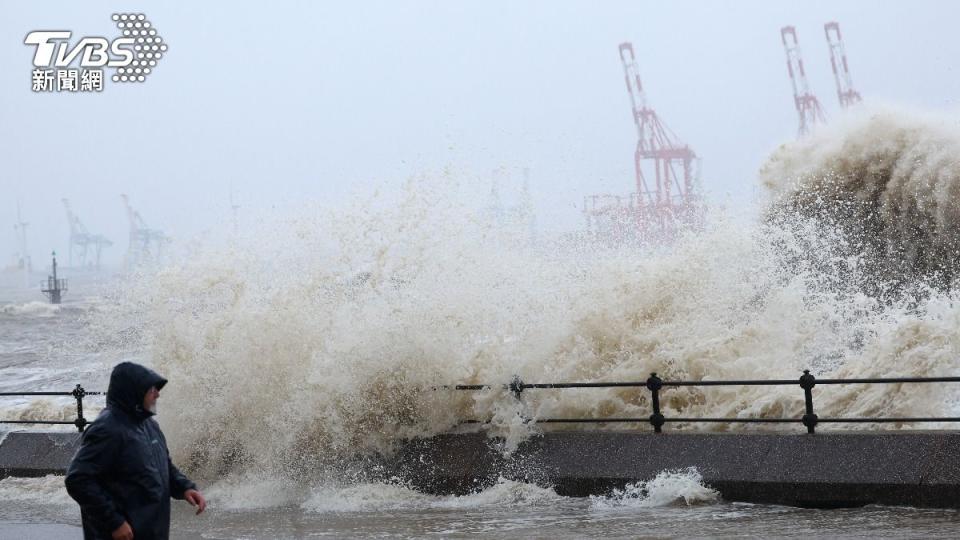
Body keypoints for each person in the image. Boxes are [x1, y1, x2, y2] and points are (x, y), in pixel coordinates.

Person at [65, 361, 207, 540]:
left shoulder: (149, 425)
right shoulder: (108, 429)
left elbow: (164, 466)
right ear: (134, 392)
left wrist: (184, 488)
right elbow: (78, 479)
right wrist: (114, 522)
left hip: (150, 531)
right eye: (151, 389)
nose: (157, 394)